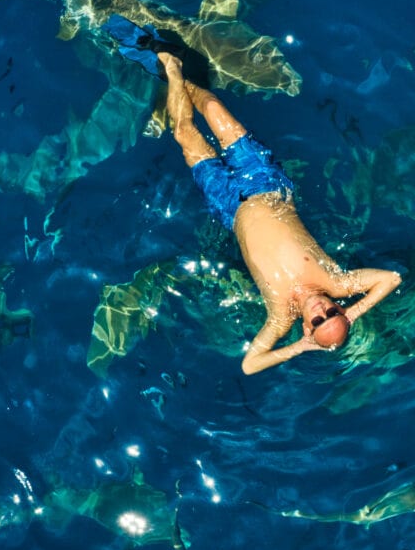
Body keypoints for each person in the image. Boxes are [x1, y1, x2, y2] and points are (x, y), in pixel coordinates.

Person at [158, 52, 401, 374]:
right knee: (214, 108)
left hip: (227, 205)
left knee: (184, 134)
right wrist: (352, 313)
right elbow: (391, 278)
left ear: (306, 327)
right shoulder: (337, 283)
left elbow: (250, 365)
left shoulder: (281, 314)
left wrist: (302, 346)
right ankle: (184, 84)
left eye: (318, 321)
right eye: (332, 314)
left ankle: (174, 73)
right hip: (265, 183)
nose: (321, 311)